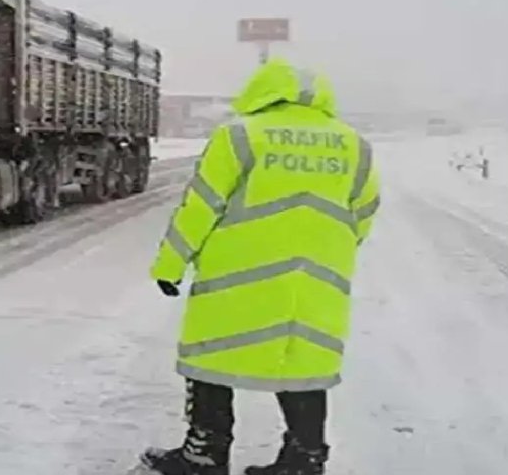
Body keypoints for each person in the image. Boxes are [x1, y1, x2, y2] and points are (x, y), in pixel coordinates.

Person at [140, 58, 381, 475]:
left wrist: (171, 264)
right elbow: (364, 211)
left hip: (235, 280)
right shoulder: (353, 143)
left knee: (210, 358)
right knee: (304, 366)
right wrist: (328, 252)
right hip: (314, 282)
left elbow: (201, 205)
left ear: (263, 91)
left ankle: (205, 455)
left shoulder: (239, 135)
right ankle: (304, 459)